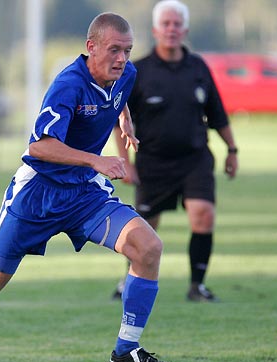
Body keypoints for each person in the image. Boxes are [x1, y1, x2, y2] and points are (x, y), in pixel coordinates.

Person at [0, 12, 175, 362]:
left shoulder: (126, 74)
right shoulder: (68, 84)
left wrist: (124, 121)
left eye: (128, 50)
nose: (122, 58)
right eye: (114, 49)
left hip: (84, 194)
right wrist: (96, 159)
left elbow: (119, 98)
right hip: (36, 197)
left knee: (148, 247)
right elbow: (39, 146)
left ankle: (125, 351)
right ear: (91, 48)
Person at [110, 0, 239, 302]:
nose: (171, 29)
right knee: (143, 230)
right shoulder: (137, 71)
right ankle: (127, 280)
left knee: (203, 215)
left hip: (195, 160)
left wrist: (232, 149)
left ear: (185, 30)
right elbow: (119, 121)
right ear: (155, 30)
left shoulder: (198, 68)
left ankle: (197, 286)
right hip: (152, 163)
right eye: (165, 24)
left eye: (176, 24)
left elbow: (218, 116)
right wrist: (125, 163)